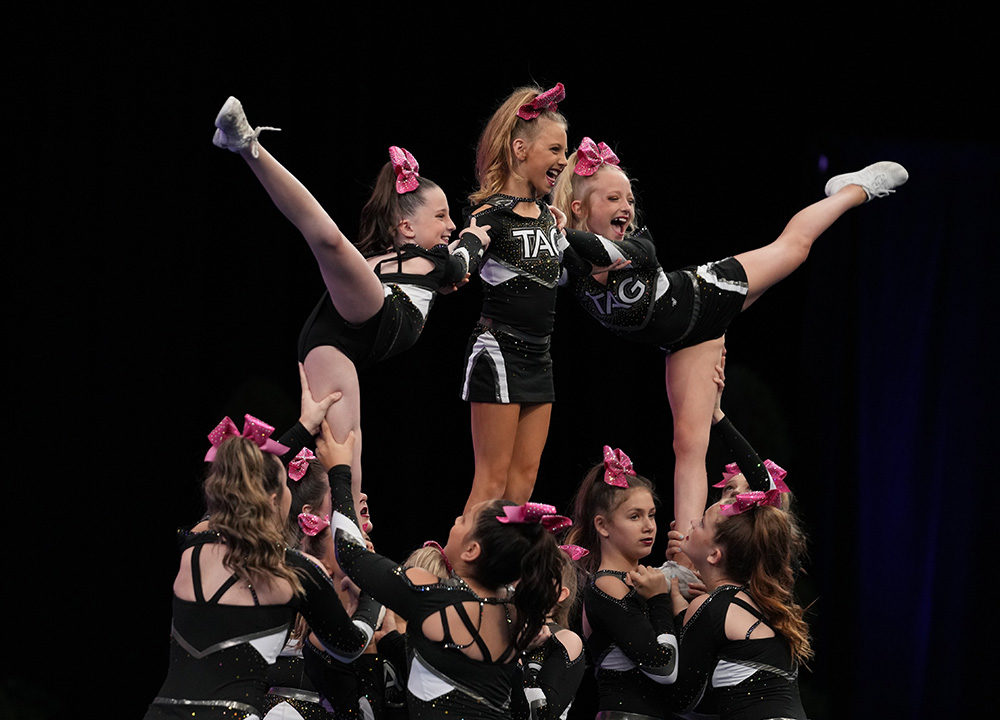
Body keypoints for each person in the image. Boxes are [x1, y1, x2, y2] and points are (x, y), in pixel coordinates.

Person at [552, 138, 908, 538]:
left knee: (794, 248)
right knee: (687, 446)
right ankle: (684, 553)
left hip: (707, 294)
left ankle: (853, 189)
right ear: (578, 208)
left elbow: (602, 251)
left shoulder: (638, 244)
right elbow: (531, 256)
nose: (627, 207)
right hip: (686, 343)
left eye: (630, 199)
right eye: (613, 198)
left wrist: (558, 233)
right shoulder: (571, 265)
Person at [212, 96, 490, 505]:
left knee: (347, 462)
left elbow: (458, 270)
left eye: (452, 218)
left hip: (336, 343)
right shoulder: (421, 261)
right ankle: (246, 145)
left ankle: (336, 543)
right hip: (366, 321)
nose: (451, 224)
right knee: (326, 239)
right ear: (407, 226)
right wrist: (473, 236)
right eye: (442, 216)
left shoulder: (414, 262)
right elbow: (462, 259)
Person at [317, 417, 568, 719]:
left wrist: (339, 472)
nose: (456, 521)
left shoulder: (432, 595)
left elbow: (351, 555)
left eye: (464, 520)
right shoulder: (515, 613)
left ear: (472, 550)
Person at [144, 414, 381, 720]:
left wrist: (303, 427)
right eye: (284, 486)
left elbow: (234, 490)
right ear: (272, 500)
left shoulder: (194, 546)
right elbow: (350, 645)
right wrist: (371, 595)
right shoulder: (297, 571)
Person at [459, 82, 574, 511]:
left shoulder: (549, 217)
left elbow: (562, 278)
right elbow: (461, 266)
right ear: (520, 149)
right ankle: (457, 575)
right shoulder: (489, 214)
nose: (563, 161)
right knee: (490, 485)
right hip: (498, 351)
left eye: (566, 152)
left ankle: (499, 577)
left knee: (522, 488)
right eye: (556, 150)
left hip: (539, 355)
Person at [671, 488, 811, 719]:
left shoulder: (713, 606)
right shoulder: (760, 601)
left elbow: (683, 699)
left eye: (703, 523)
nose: (693, 522)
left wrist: (663, 607)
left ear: (714, 555)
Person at [563, 447, 679, 719]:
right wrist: (661, 600)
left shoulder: (640, 581)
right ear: (602, 526)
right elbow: (664, 668)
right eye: (635, 516)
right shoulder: (607, 585)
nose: (649, 526)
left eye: (651, 515)